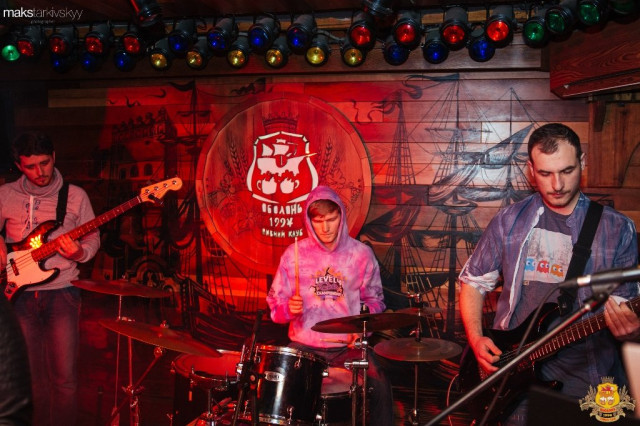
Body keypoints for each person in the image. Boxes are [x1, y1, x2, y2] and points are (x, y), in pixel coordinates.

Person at [458, 123, 640, 423]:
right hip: (515, 378)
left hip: (593, 386)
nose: (557, 184)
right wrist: (476, 338)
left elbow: (627, 310)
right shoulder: (509, 221)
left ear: (582, 162)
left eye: (567, 170)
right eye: (545, 173)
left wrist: (632, 330)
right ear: (531, 170)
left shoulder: (617, 229)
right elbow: (473, 282)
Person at [267, 185, 394, 426]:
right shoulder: (294, 255)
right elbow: (275, 307)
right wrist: (288, 309)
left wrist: (362, 329)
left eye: (331, 219)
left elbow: (375, 301)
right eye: (318, 221)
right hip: (305, 347)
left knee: (379, 385)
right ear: (309, 221)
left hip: (348, 347)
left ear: (341, 217)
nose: (325, 227)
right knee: (282, 390)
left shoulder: (361, 254)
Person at [0, 131, 101, 426]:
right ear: (19, 166)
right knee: (31, 377)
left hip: (62, 293)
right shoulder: (5, 194)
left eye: (44, 163)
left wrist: (79, 252)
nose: (40, 172)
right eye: (30, 166)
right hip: (16, 296)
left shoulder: (75, 196)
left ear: (54, 157)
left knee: (64, 378)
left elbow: (93, 236)